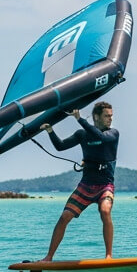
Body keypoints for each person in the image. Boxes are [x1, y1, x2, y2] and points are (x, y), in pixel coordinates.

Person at [39, 101, 118, 261]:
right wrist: (50, 131)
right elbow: (60, 147)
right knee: (65, 217)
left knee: (105, 210)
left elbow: (100, 137)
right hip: (86, 185)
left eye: (111, 116)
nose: (110, 119)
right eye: (106, 116)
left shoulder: (113, 134)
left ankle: (108, 256)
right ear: (96, 117)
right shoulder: (82, 135)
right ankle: (48, 257)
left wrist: (80, 119)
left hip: (105, 185)